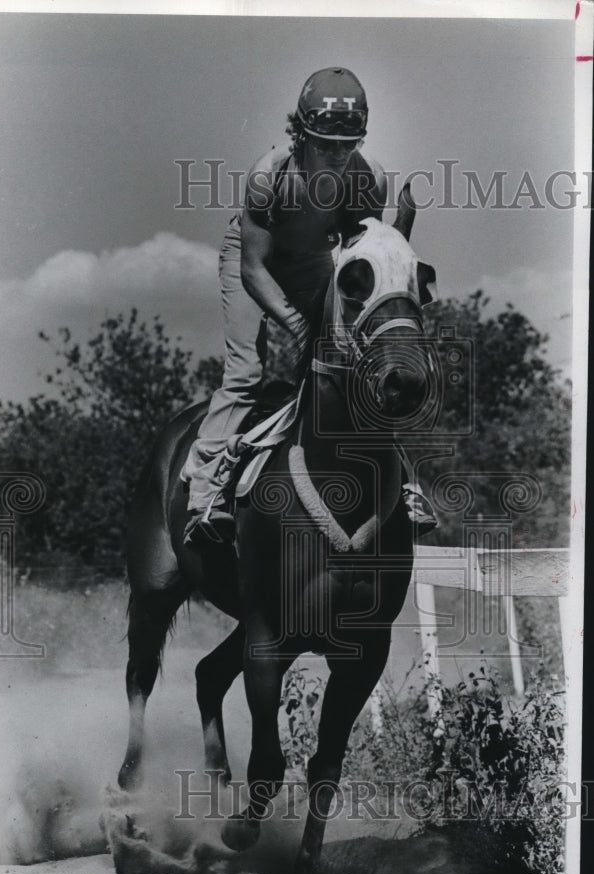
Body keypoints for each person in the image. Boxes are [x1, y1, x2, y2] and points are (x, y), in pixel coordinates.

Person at [182, 67, 434, 546]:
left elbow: (364, 255)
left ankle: (399, 481)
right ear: (300, 134)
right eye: (324, 144)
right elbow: (254, 267)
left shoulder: (369, 178)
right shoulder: (268, 175)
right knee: (245, 373)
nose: (338, 155)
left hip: (316, 259)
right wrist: (297, 322)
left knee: (356, 361)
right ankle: (206, 493)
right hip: (256, 260)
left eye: (348, 144)